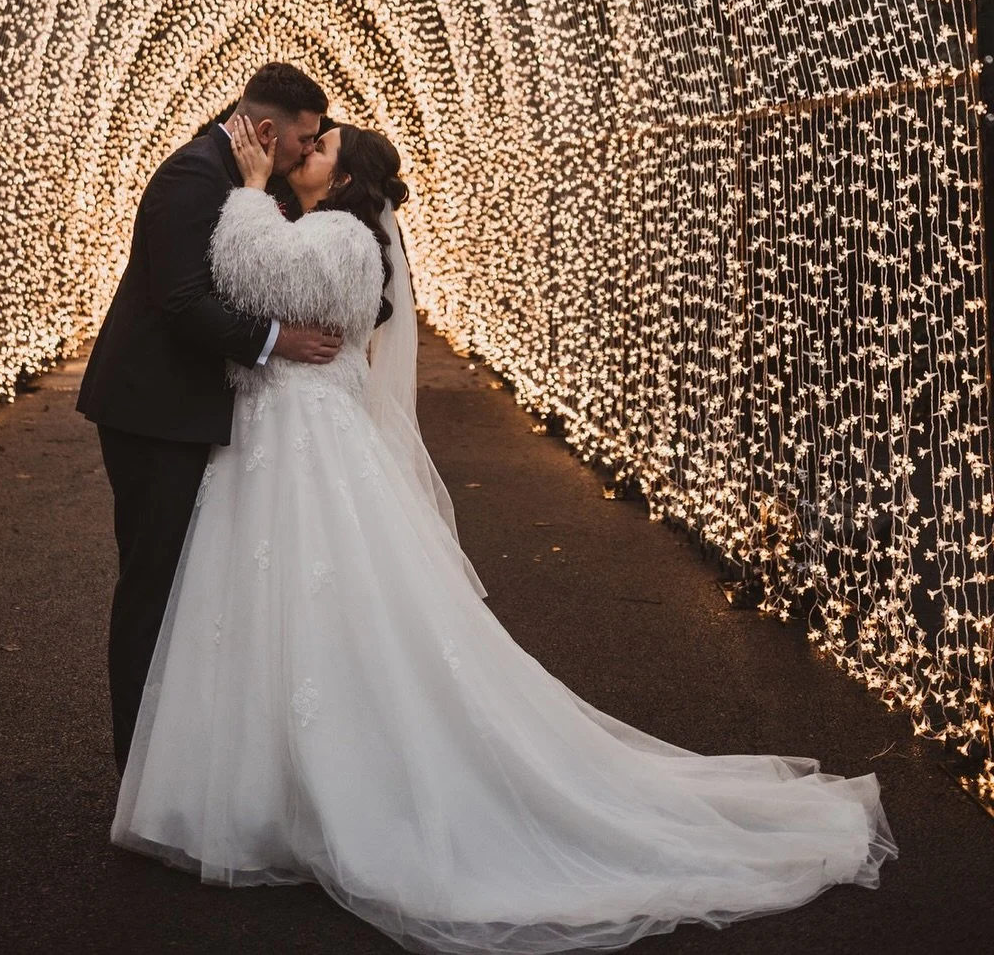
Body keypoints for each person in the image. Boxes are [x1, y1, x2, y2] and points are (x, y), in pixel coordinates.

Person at [112, 116, 896, 954]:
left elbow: (246, 267)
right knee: (274, 613)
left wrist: (241, 188)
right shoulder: (325, 227)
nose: (307, 152)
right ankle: (263, 784)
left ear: (345, 181)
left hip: (310, 452)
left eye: (323, 147)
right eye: (309, 143)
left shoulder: (341, 239)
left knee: (316, 609)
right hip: (284, 449)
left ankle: (303, 786)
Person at [76, 61, 343, 770]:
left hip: (187, 407)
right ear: (265, 129)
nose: (306, 153)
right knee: (151, 584)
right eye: (302, 139)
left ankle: (177, 758)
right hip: (153, 411)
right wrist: (279, 340)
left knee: (186, 589)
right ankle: (136, 764)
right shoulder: (191, 178)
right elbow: (184, 302)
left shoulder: (242, 177)